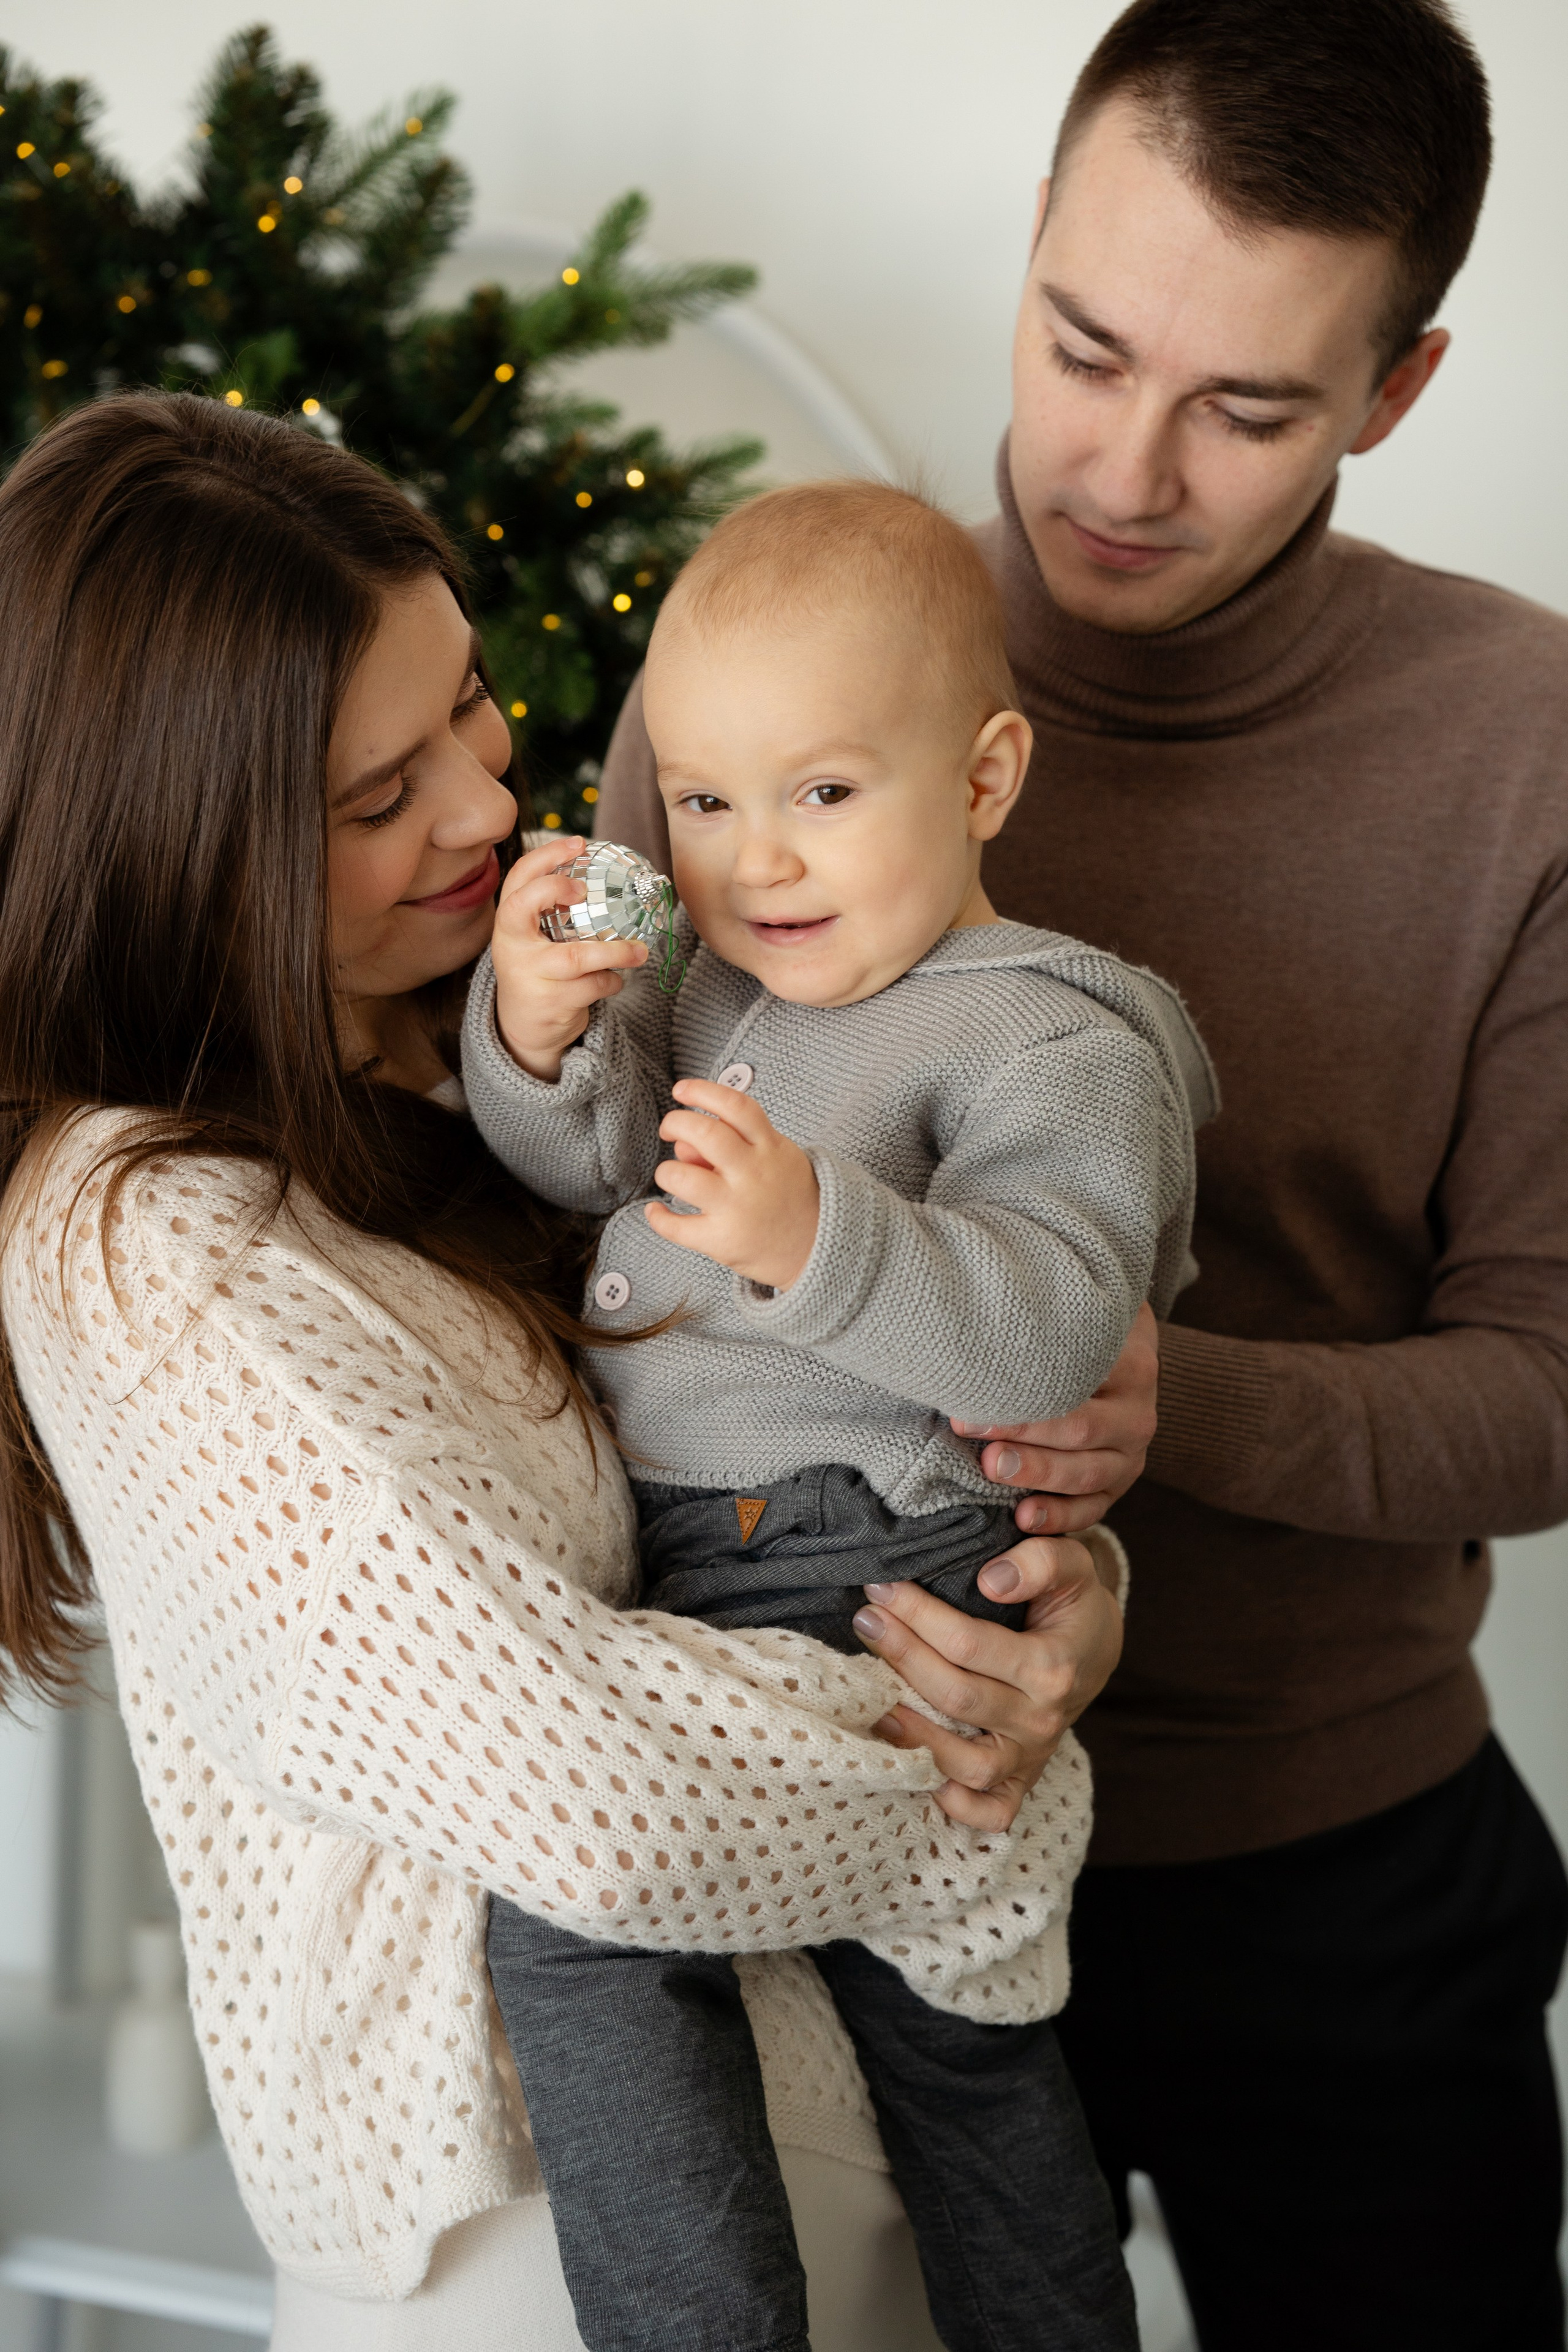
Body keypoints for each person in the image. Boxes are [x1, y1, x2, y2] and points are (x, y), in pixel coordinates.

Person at [589, 3, 1568, 2345]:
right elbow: (582, 1193)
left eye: (1249, 408)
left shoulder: (1523, 754)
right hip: (840, 1821)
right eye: (1086, 345)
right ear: (1031, 239)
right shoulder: (754, 678)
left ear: (1401, 390)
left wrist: (1152, 1408)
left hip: (1324, 1877)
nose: (1128, 467)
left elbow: (1548, 1384)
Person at [0, 391, 1132, 2351]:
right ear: (178, 848)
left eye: (472, 705)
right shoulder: (138, 1241)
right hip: (523, 2222)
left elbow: (793, 1411)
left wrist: (1031, 1589)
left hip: (829, 2102)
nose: (481, 805)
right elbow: (588, 1799)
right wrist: (977, 1761)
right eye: (375, 797)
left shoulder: (488, 1028)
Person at [463, 478, 1213, 2352]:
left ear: (983, 780)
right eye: (706, 803)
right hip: (688, 1568)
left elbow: (1051, 1322)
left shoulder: (1051, 1033)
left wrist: (821, 1241)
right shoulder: (712, 990)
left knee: (938, 2047)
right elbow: (574, 1167)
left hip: (880, 1571)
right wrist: (544, 1031)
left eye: (822, 793)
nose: (757, 863)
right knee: (630, 1945)